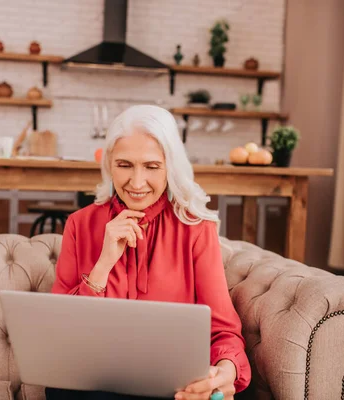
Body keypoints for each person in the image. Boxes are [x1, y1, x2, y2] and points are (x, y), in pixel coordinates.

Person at [47, 105, 251, 400]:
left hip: (170, 386)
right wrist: (103, 264)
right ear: (109, 165)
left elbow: (223, 331)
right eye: (125, 165)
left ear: (171, 166)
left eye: (152, 166)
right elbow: (59, 333)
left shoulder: (196, 228)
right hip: (95, 384)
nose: (137, 182)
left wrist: (225, 371)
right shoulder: (80, 224)